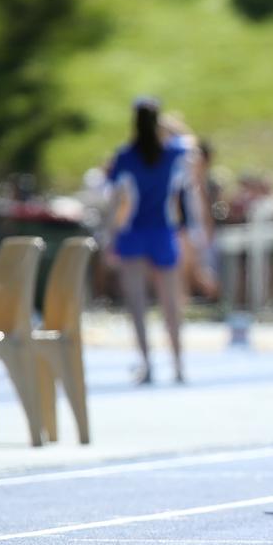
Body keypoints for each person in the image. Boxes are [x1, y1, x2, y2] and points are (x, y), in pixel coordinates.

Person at [104, 96, 202, 384]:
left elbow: (115, 201)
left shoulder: (125, 155)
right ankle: (178, 364)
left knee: (137, 303)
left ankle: (147, 364)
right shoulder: (172, 151)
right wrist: (170, 124)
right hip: (163, 231)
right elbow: (193, 144)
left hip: (133, 232)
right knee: (171, 303)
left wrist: (109, 238)